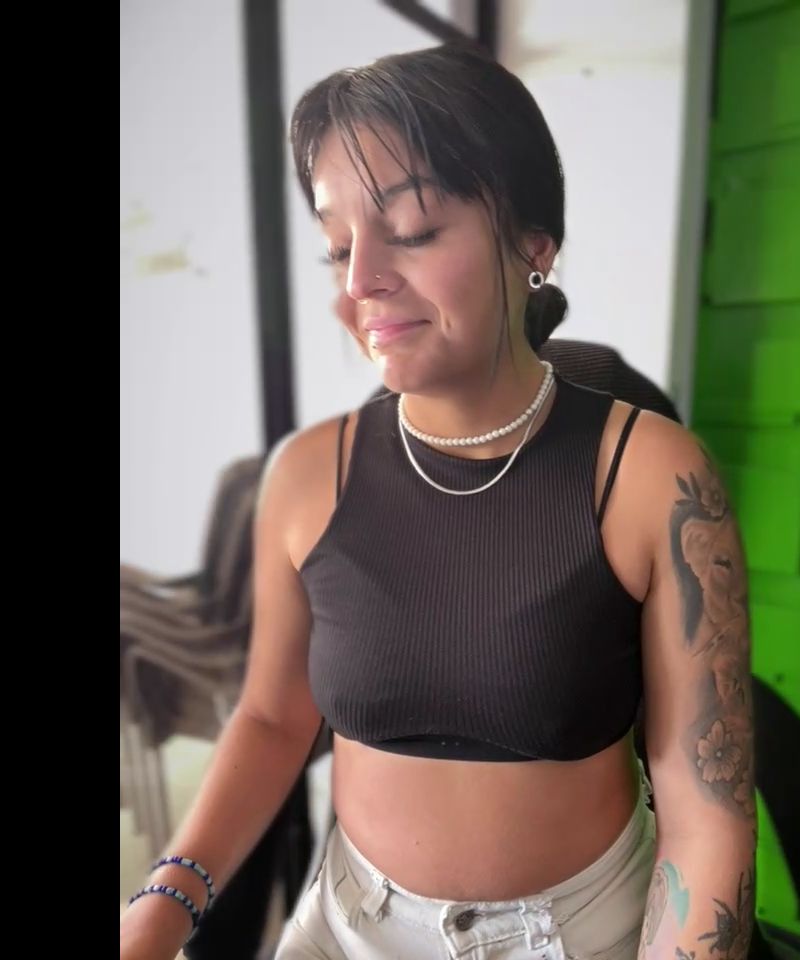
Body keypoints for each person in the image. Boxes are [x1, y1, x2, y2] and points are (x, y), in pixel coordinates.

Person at [120, 41, 756, 960]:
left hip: (583, 933)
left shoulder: (652, 476)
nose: (359, 282)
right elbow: (271, 718)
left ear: (533, 244)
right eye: (339, 246)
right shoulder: (305, 476)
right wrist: (160, 906)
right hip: (347, 925)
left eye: (412, 229)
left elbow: (708, 808)